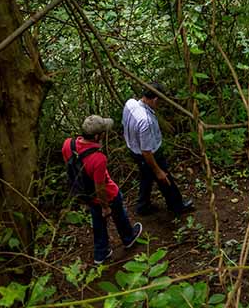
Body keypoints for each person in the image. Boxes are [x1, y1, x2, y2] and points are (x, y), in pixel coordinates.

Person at [62, 115, 142, 264]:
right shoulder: (98, 159)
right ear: (97, 136)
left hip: (85, 194)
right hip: (106, 195)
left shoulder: (68, 145)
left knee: (98, 222)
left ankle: (101, 253)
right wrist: (105, 207)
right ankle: (128, 238)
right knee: (119, 215)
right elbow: (100, 187)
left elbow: (69, 165)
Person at [122, 82, 193, 216]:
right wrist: (158, 170)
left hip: (133, 149)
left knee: (146, 177)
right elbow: (146, 151)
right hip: (148, 154)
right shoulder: (145, 121)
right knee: (164, 178)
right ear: (155, 99)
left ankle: (142, 206)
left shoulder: (130, 103)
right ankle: (177, 206)